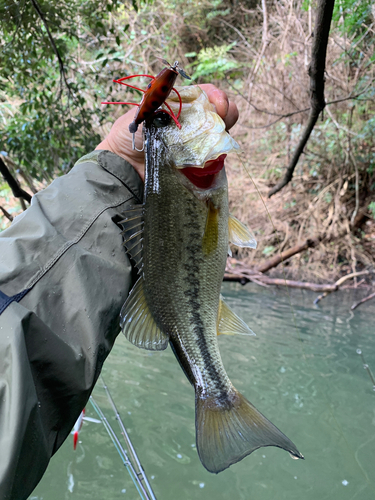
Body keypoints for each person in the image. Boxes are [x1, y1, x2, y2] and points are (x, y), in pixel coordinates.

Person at [0, 84, 238, 500]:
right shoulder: (192, 184)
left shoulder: (177, 179)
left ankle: (214, 393)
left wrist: (116, 165)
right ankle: (215, 395)